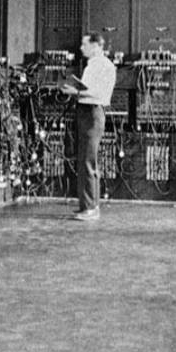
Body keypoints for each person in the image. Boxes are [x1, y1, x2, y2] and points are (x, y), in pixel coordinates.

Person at [60, 32, 117, 221]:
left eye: (84, 44)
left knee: (88, 161)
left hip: (93, 113)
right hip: (86, 113)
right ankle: (88, 205)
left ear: (95, 46)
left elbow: (99, 94)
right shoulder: (93, 65)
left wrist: (75, 91)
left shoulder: (104, 66)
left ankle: (91, 208)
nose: (81, 48)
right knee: (85, 160)